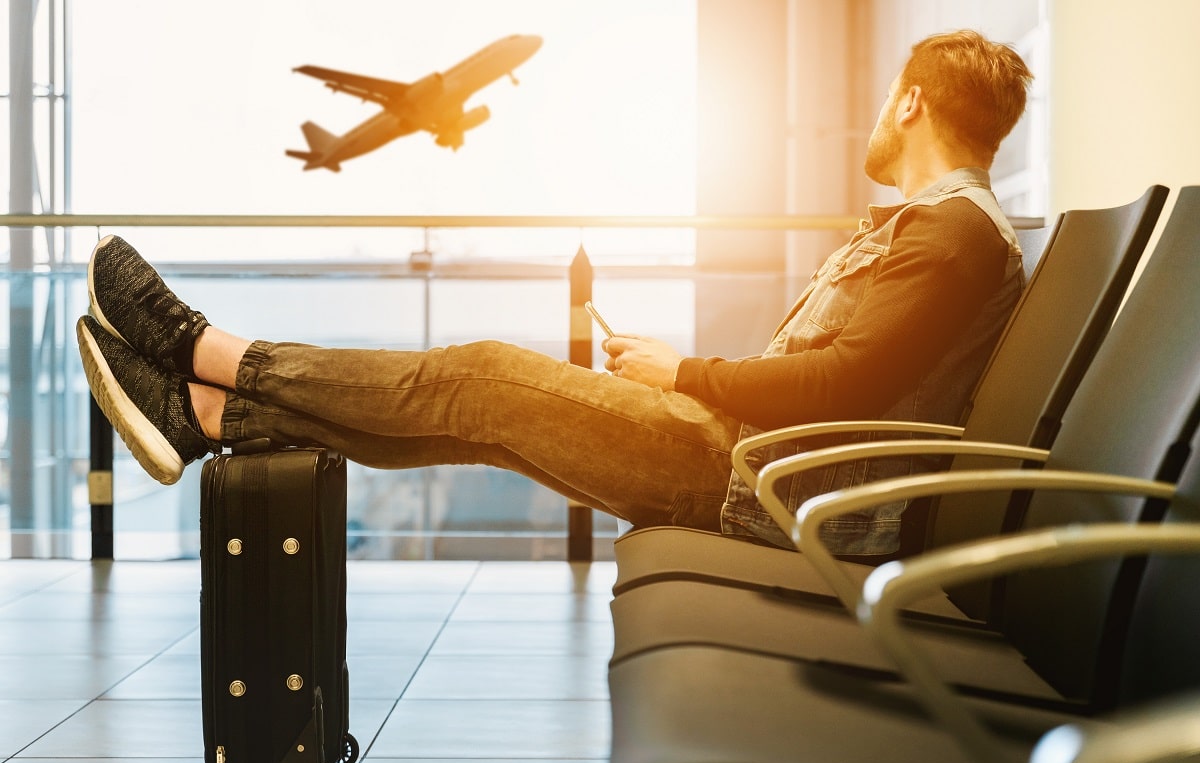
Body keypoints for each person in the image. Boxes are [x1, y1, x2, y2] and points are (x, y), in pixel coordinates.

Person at [78, 30, 1033, 556]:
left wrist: (687, 372)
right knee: (481, 419)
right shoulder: (945, 231)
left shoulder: (951, 232)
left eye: (884, 102)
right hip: (757, 471)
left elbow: (845, 387)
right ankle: (207, 417)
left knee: (481, 377)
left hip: (759, 487)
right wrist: (686, 378)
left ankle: (202, 349)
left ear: (909, 101)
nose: (874, 119)